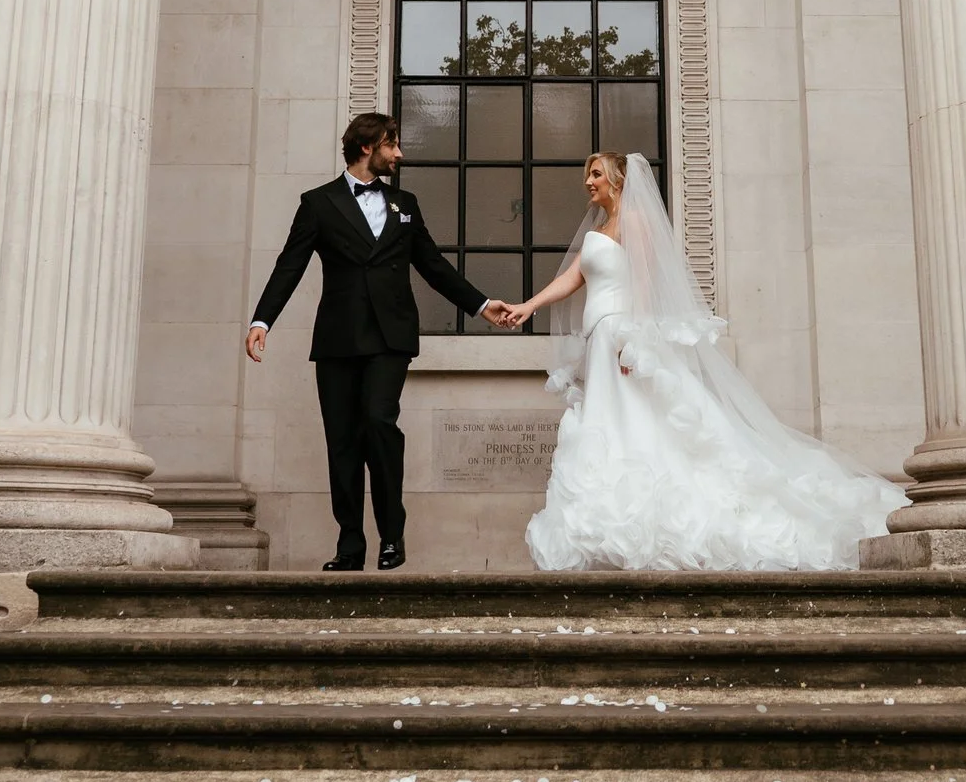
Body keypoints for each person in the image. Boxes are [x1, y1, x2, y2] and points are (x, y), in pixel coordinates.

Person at [501, 151, 908, 570]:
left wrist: (635, 341)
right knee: (613, 428)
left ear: (619, 180)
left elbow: (643, 284)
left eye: (597, 174)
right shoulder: (598, 230)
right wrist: (528, 306)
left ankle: (658, 524)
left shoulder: (634, 222)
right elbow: (572, 279)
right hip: (598, 344)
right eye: (588, 174)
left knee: (642, 428)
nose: (589, 181)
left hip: (622, 340)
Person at [247, 112, 517, 571]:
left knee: (378, 422)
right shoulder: (317, 203)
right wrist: (262, 320)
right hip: (337, 340)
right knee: (342, 443)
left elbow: (433, 266)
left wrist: (480, 304)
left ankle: (392, 534)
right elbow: (288, 266)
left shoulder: (405, 204)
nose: (400, 154)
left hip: (390, 338)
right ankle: (350, 545)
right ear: (368, 147)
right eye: (393, 144)